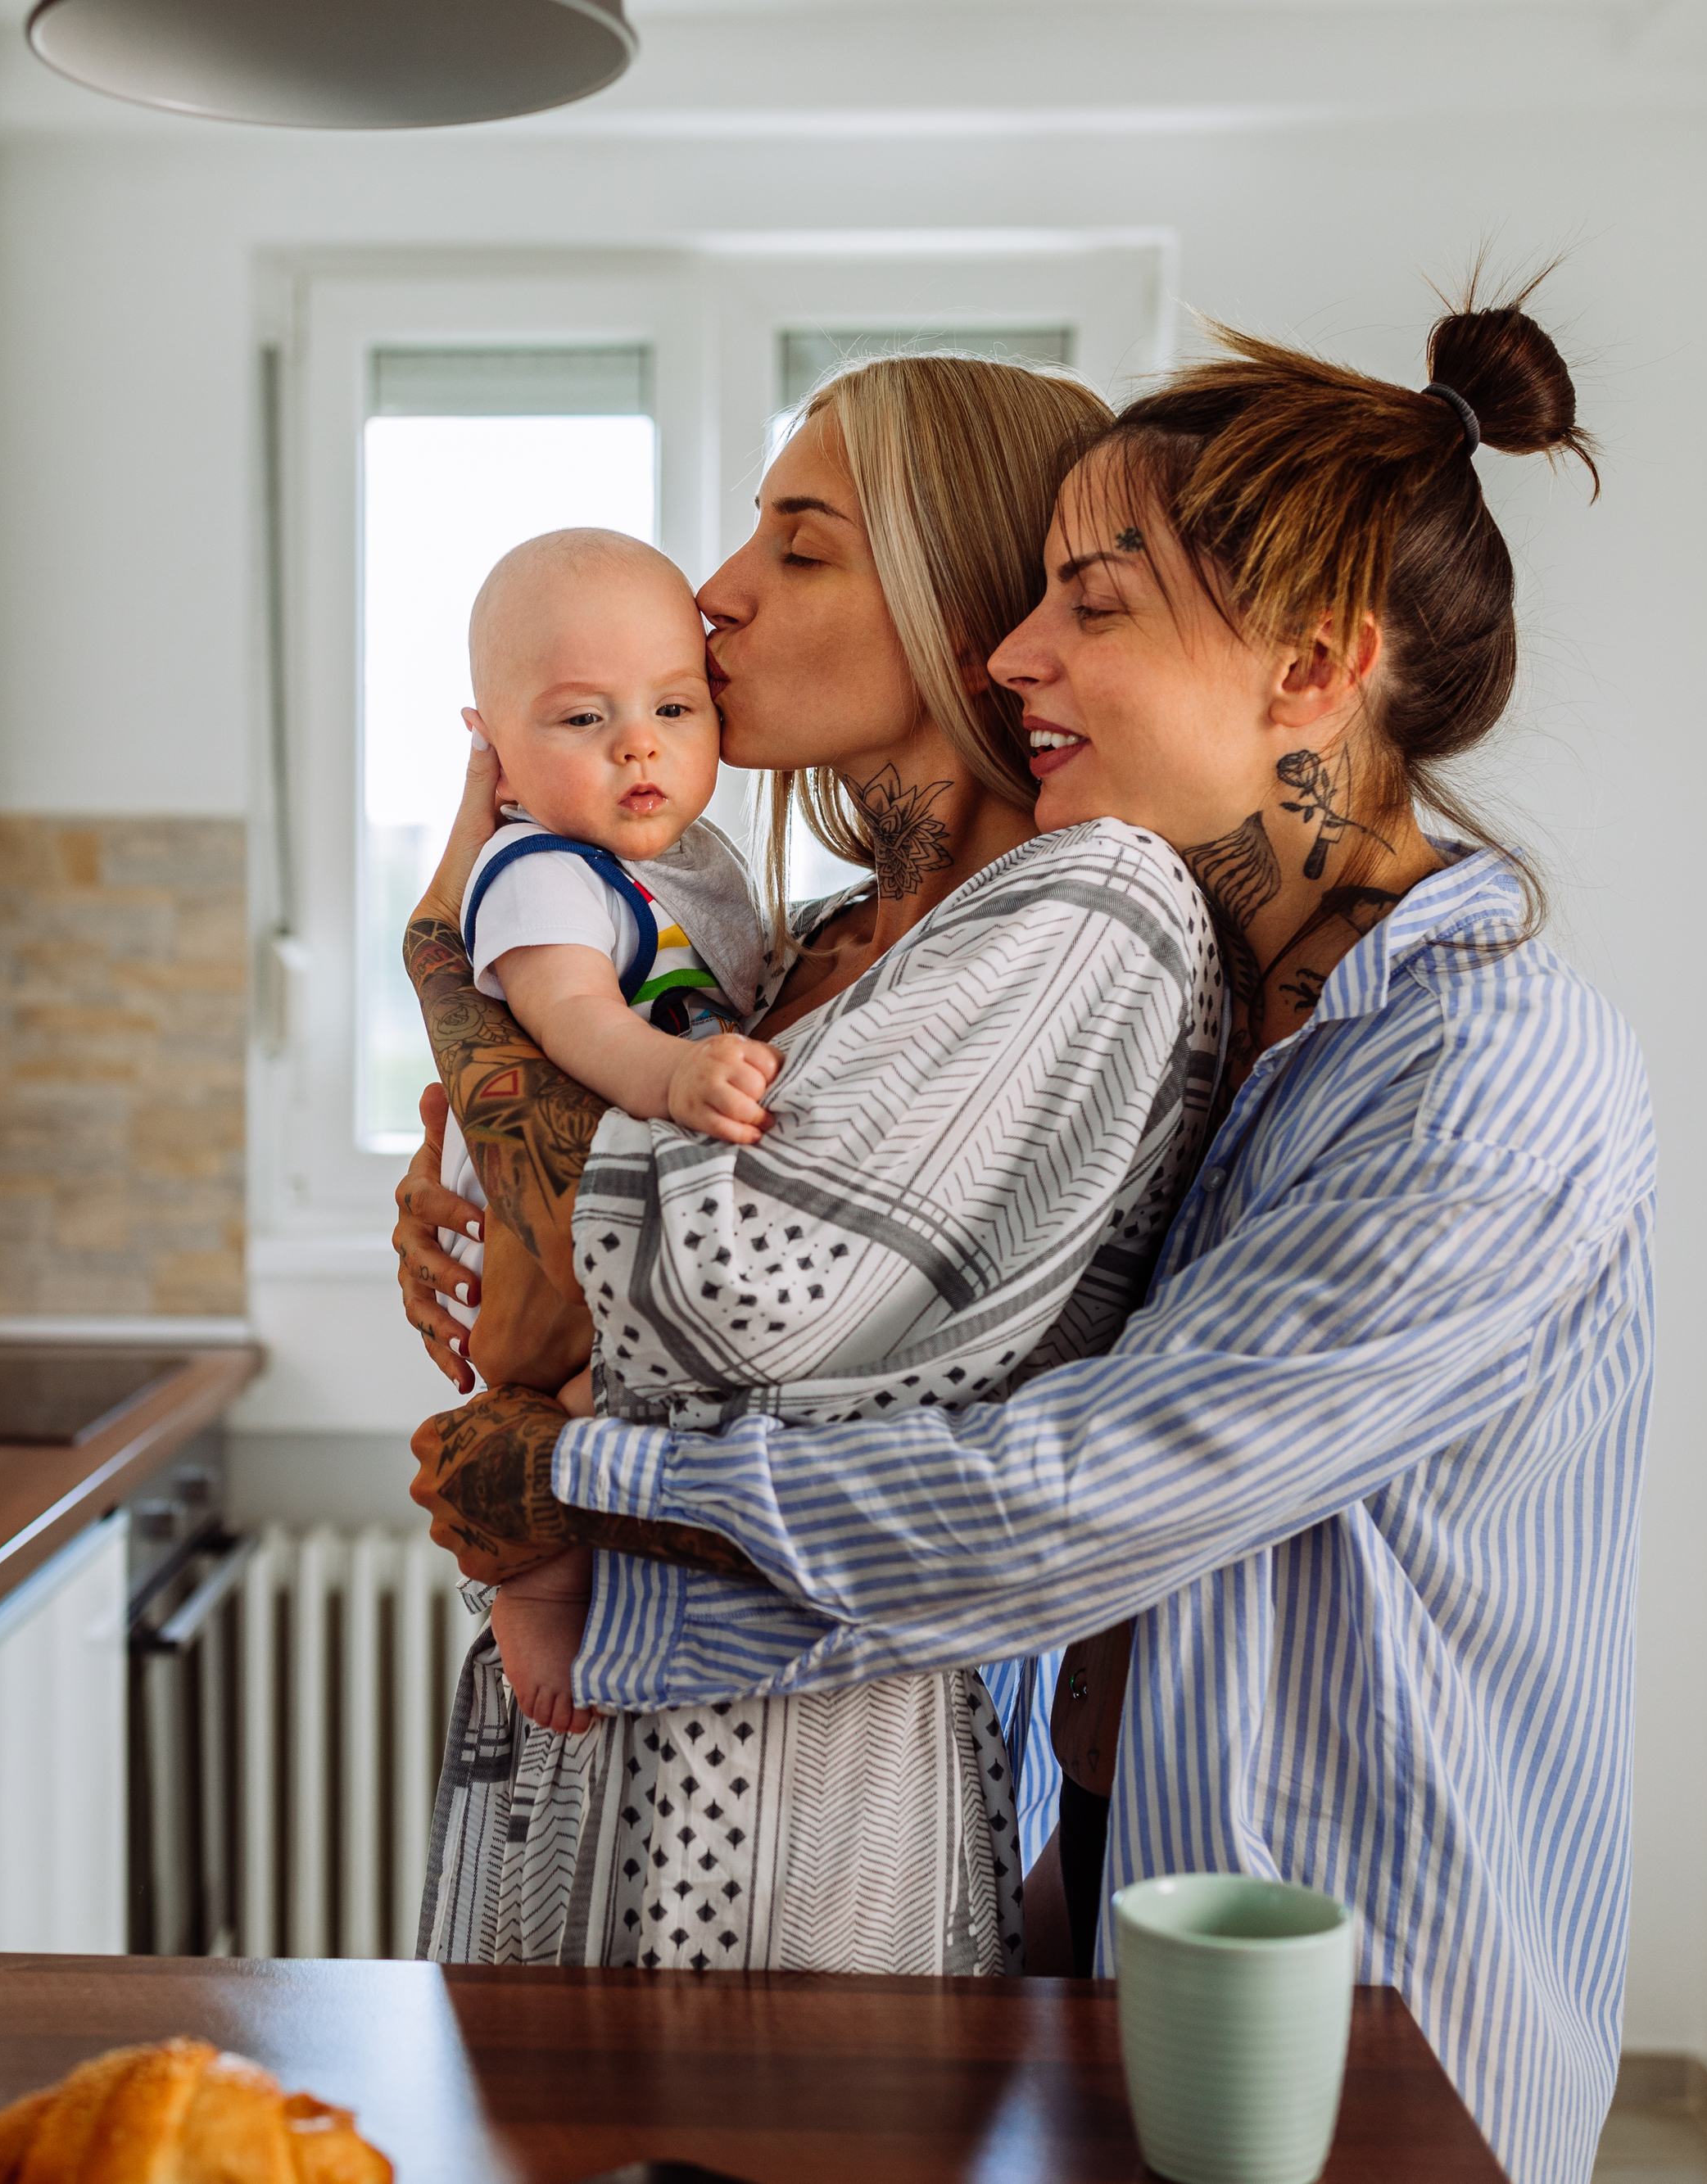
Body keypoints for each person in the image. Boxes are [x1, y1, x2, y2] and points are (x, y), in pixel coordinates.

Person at [394, 281, 1652, 2184]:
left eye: (1091, 603)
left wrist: (566, 1472)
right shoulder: (1259, 1012)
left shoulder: (1481, 1066)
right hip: (1146, 1931)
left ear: (1310, 668)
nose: (1011, 651)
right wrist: (491, 1117)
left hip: (1391, 2001)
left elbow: (1074, 1494)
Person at [403, 354, 1223, 1975]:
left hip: (785, 1808)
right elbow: (564, 1290)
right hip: (578, 1758)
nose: (712, 597)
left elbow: (713, 1299)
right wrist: (493, 1187)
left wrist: (453, 978)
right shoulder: (798, 942)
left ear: (956, 590)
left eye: (797, 544)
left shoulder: (1080, 912)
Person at [428, 526, 777, 1729]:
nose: (640, 743)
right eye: (582, 720)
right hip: (533, 1248)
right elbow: (569, 1011)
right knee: (544, 1401)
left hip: (611, 1219)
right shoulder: (540, 870)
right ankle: (529, 1583)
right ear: (500, 763)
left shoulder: (688, 863)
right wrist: (677, 1078)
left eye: (676, 707)